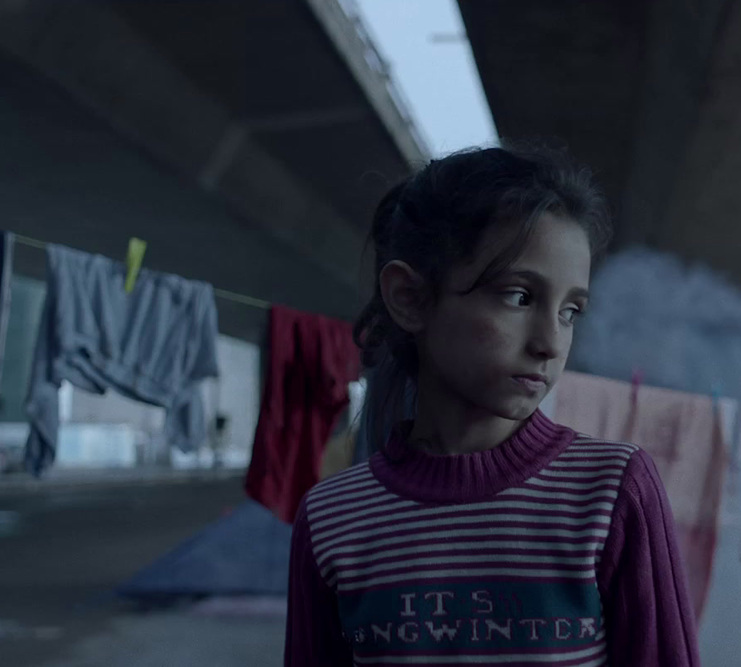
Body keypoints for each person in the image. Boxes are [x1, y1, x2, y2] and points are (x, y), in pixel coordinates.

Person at [285, 147, 700, 665]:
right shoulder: (332, 519)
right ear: (410, 298)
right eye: (520, 297)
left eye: (571, 311)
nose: (551, 342)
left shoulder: (612, 491)